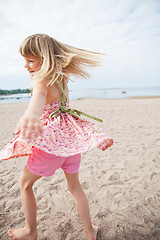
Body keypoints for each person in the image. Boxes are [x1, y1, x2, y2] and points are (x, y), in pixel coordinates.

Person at [0, 34, 113, 240]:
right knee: (75, 187)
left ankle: (30, 231)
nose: (26, 66)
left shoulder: (40, 79)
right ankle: (90, 231)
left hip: (51, 145)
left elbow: (38, 98)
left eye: (30, 60)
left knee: (25, 184)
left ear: (45, 58)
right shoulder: (62, 77)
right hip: (71, 143)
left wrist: (30, 115)